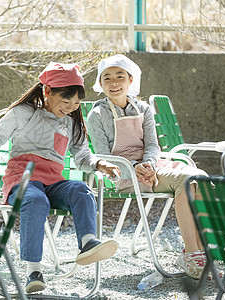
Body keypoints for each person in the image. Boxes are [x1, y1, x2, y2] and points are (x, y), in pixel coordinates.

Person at [0, 62, 121, 293]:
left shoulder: (72, 120)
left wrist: (98, 163)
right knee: (36, 200)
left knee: (81, 190)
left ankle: (87, 243)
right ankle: (33, 271)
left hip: (53, 182)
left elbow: (82, 155)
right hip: (22, 180)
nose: (70, 107)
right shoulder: (24, 113)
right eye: (65, 101)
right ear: (47, 91)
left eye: (75, 103)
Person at [86, 54, 207, 279]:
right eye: (107, 78)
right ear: (100, 84)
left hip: (152, 167)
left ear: (130, 80)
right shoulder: (97, 115)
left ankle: (196, 252)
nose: (114, 82)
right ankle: (193, 254)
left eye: (119, 76)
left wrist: (148, 163)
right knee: (187, 179)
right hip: (123, 172)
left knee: (200, 177)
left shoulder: (143, 109)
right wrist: (134, 166)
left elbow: (153, 145)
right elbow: (102, 155)